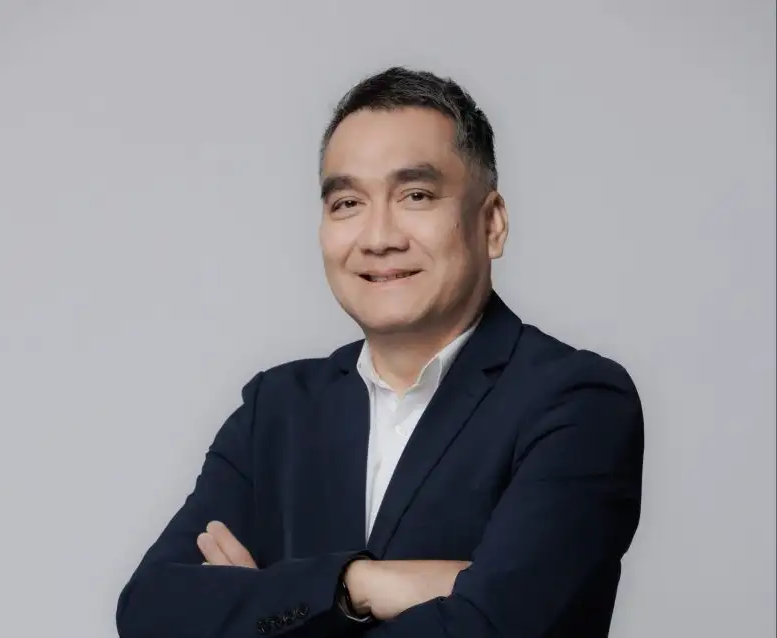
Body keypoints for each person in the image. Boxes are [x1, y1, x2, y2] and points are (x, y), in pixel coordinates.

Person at [115, 66, 644, 638]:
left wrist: (262, 608)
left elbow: (497, 626)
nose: (378, 237)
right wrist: (354, 585)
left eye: (416, 195)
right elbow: (149, 611)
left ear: (491, 224)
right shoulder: (277, 410)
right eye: (347, 203)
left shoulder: (576, 401)